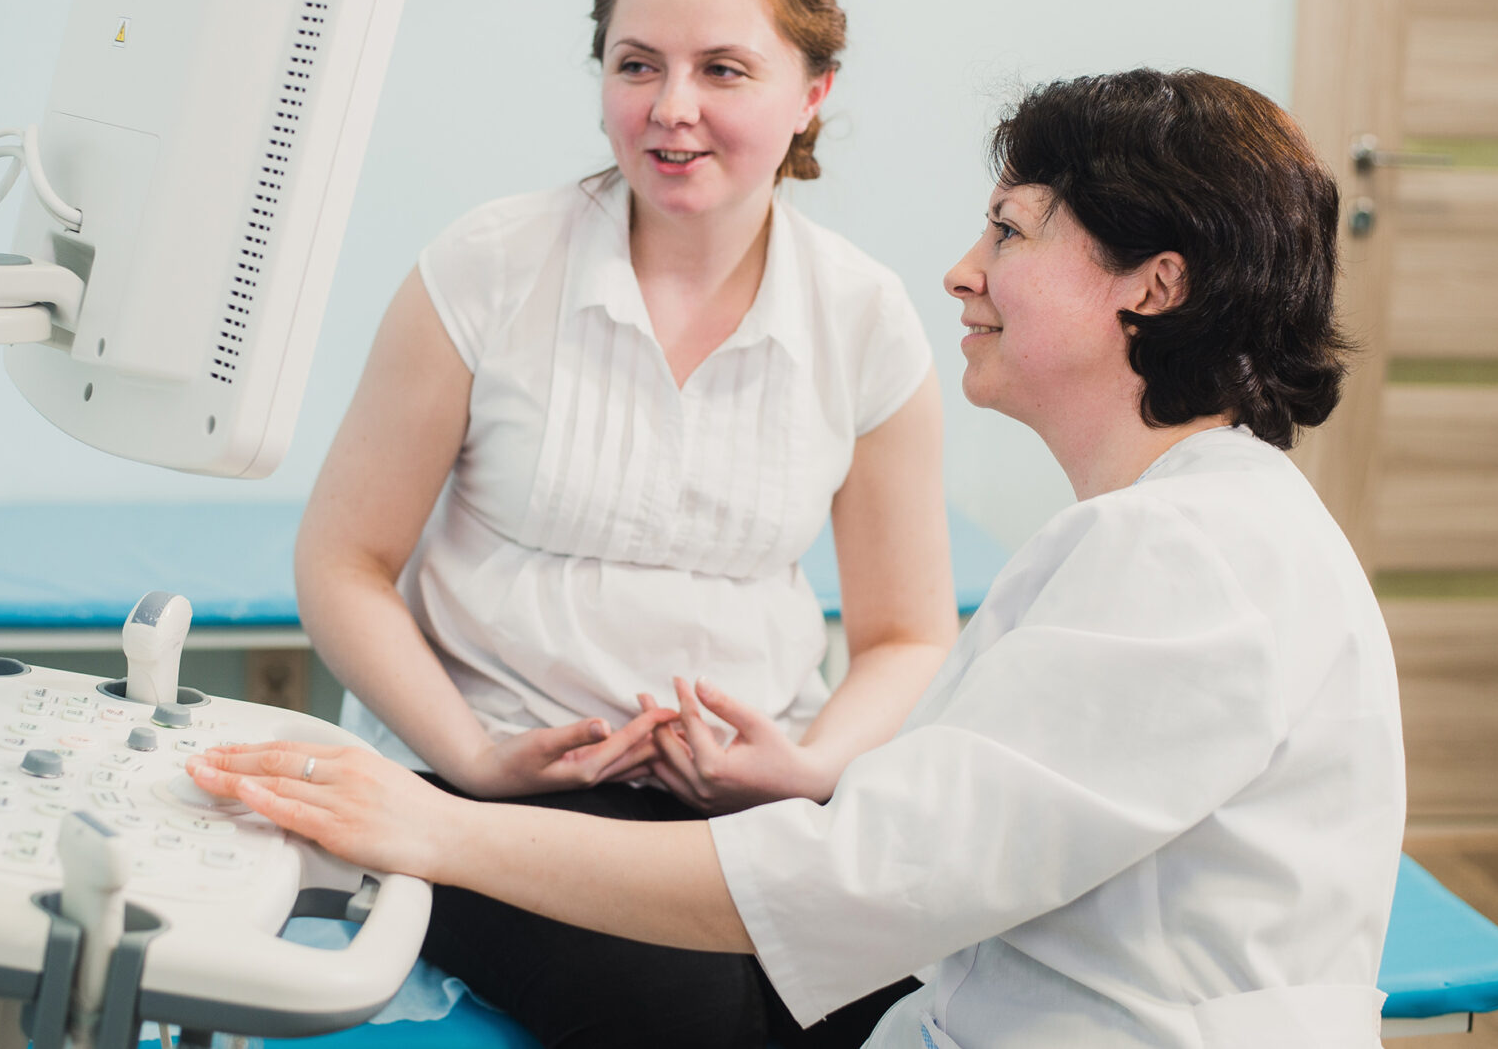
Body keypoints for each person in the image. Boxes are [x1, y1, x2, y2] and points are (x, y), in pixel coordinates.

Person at [195, 69, 1408, 1049]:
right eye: (637, 65)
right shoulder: (1168, 527)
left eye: (1009, 230)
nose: (963, 271)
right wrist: (806, 777)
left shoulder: (1194, 557)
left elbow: (869, 874)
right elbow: (965, 810)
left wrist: (434, 830)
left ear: (1155, 284)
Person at [288, 0, 959, 1047]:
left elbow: (909, 634)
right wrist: (475, 761)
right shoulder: (487, 269)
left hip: (746, 805)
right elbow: (342, 562)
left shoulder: (865, 318)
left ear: (813, 96)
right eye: (637, 65)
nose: (673, 109)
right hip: (490, 794)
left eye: (724, 70)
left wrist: (804, 770)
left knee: (912, 1003)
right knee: (685, 1012)